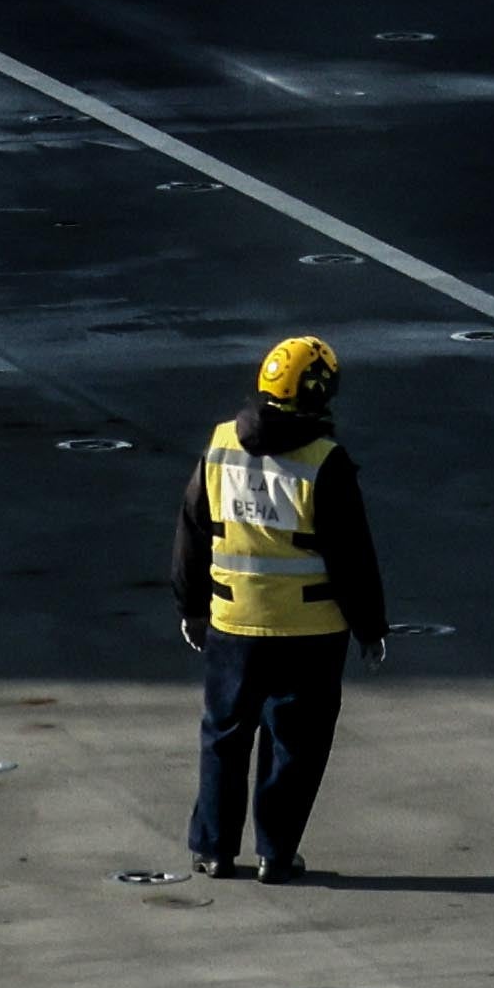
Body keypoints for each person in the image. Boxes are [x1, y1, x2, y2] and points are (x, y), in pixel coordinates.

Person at [170, 333, 387, 881]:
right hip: (310, 631)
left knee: (224, 736)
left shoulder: (221, 444)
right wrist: (370, 626)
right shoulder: (326, 462)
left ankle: (214, 849)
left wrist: (193, 606)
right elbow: (352, 556)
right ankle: (276, 852)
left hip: (233, 622)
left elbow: (193, 531)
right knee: (296, 743)